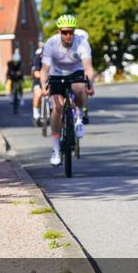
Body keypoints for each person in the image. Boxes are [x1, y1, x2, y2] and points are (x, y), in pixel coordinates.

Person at [40, 14, 95, 166]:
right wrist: (43, 86)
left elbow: (88, 68)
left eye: (71, 31)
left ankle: (79, 115)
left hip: (75, 71)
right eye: (65, 32)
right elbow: (44, 70)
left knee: (79, 88)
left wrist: (90, 85)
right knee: (57, 108)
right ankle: (56, 148)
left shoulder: (82, 43)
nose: (68, 35)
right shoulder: (51, 44)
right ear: (59, 32)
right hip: (56, 73)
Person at [31, 43, 45, 126]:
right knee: (38, 94)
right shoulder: (37, 58)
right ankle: (36, 115)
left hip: (49, 79)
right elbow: (36, 73)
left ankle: (50, 108)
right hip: (38, 79)